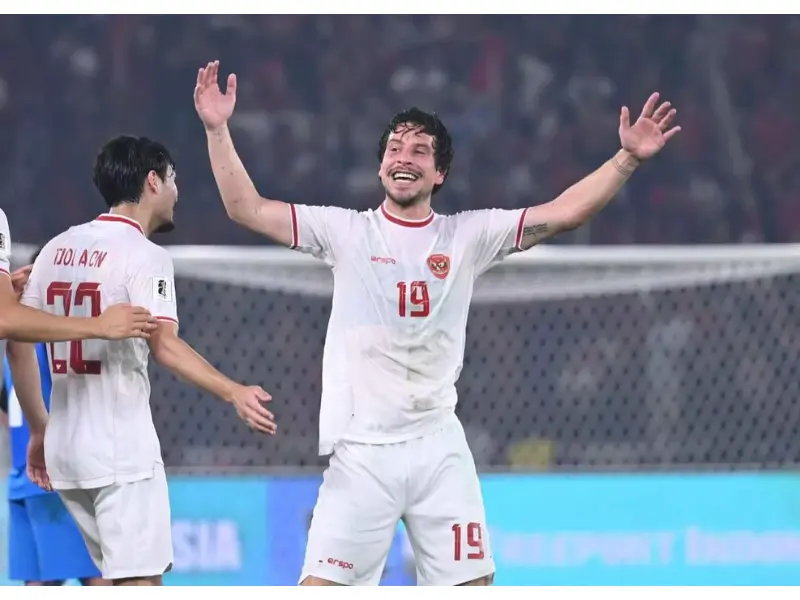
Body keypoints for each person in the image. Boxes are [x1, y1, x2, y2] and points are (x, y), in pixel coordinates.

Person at [193, 60, 680, 586]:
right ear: (381, 166)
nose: (404, 158)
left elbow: (563, 213)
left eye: (419, 151)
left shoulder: (467, 236)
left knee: (472, 587)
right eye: (395, 149)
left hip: (438, 449)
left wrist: (626, 159)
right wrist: (217, 129)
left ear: (439, 172)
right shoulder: (344, 231)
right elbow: (246, 208)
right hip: (363, 453)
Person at [15, 135, 277, 587]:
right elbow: (165, 346)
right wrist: (232, 390)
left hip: (66, 452)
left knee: (116, 582)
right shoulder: (144, 255)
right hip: (119, 451)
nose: (177, 191)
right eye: (173, 179)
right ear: (153, 181)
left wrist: (40, 428)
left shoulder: (55, 249)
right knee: (139, 584)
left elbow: (17, 339)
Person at [3, 256, 109, 585]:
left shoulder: (13, 344)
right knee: (99, 577)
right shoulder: (55, 343)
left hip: (22, 480)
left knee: (39, 584)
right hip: (58, 476)